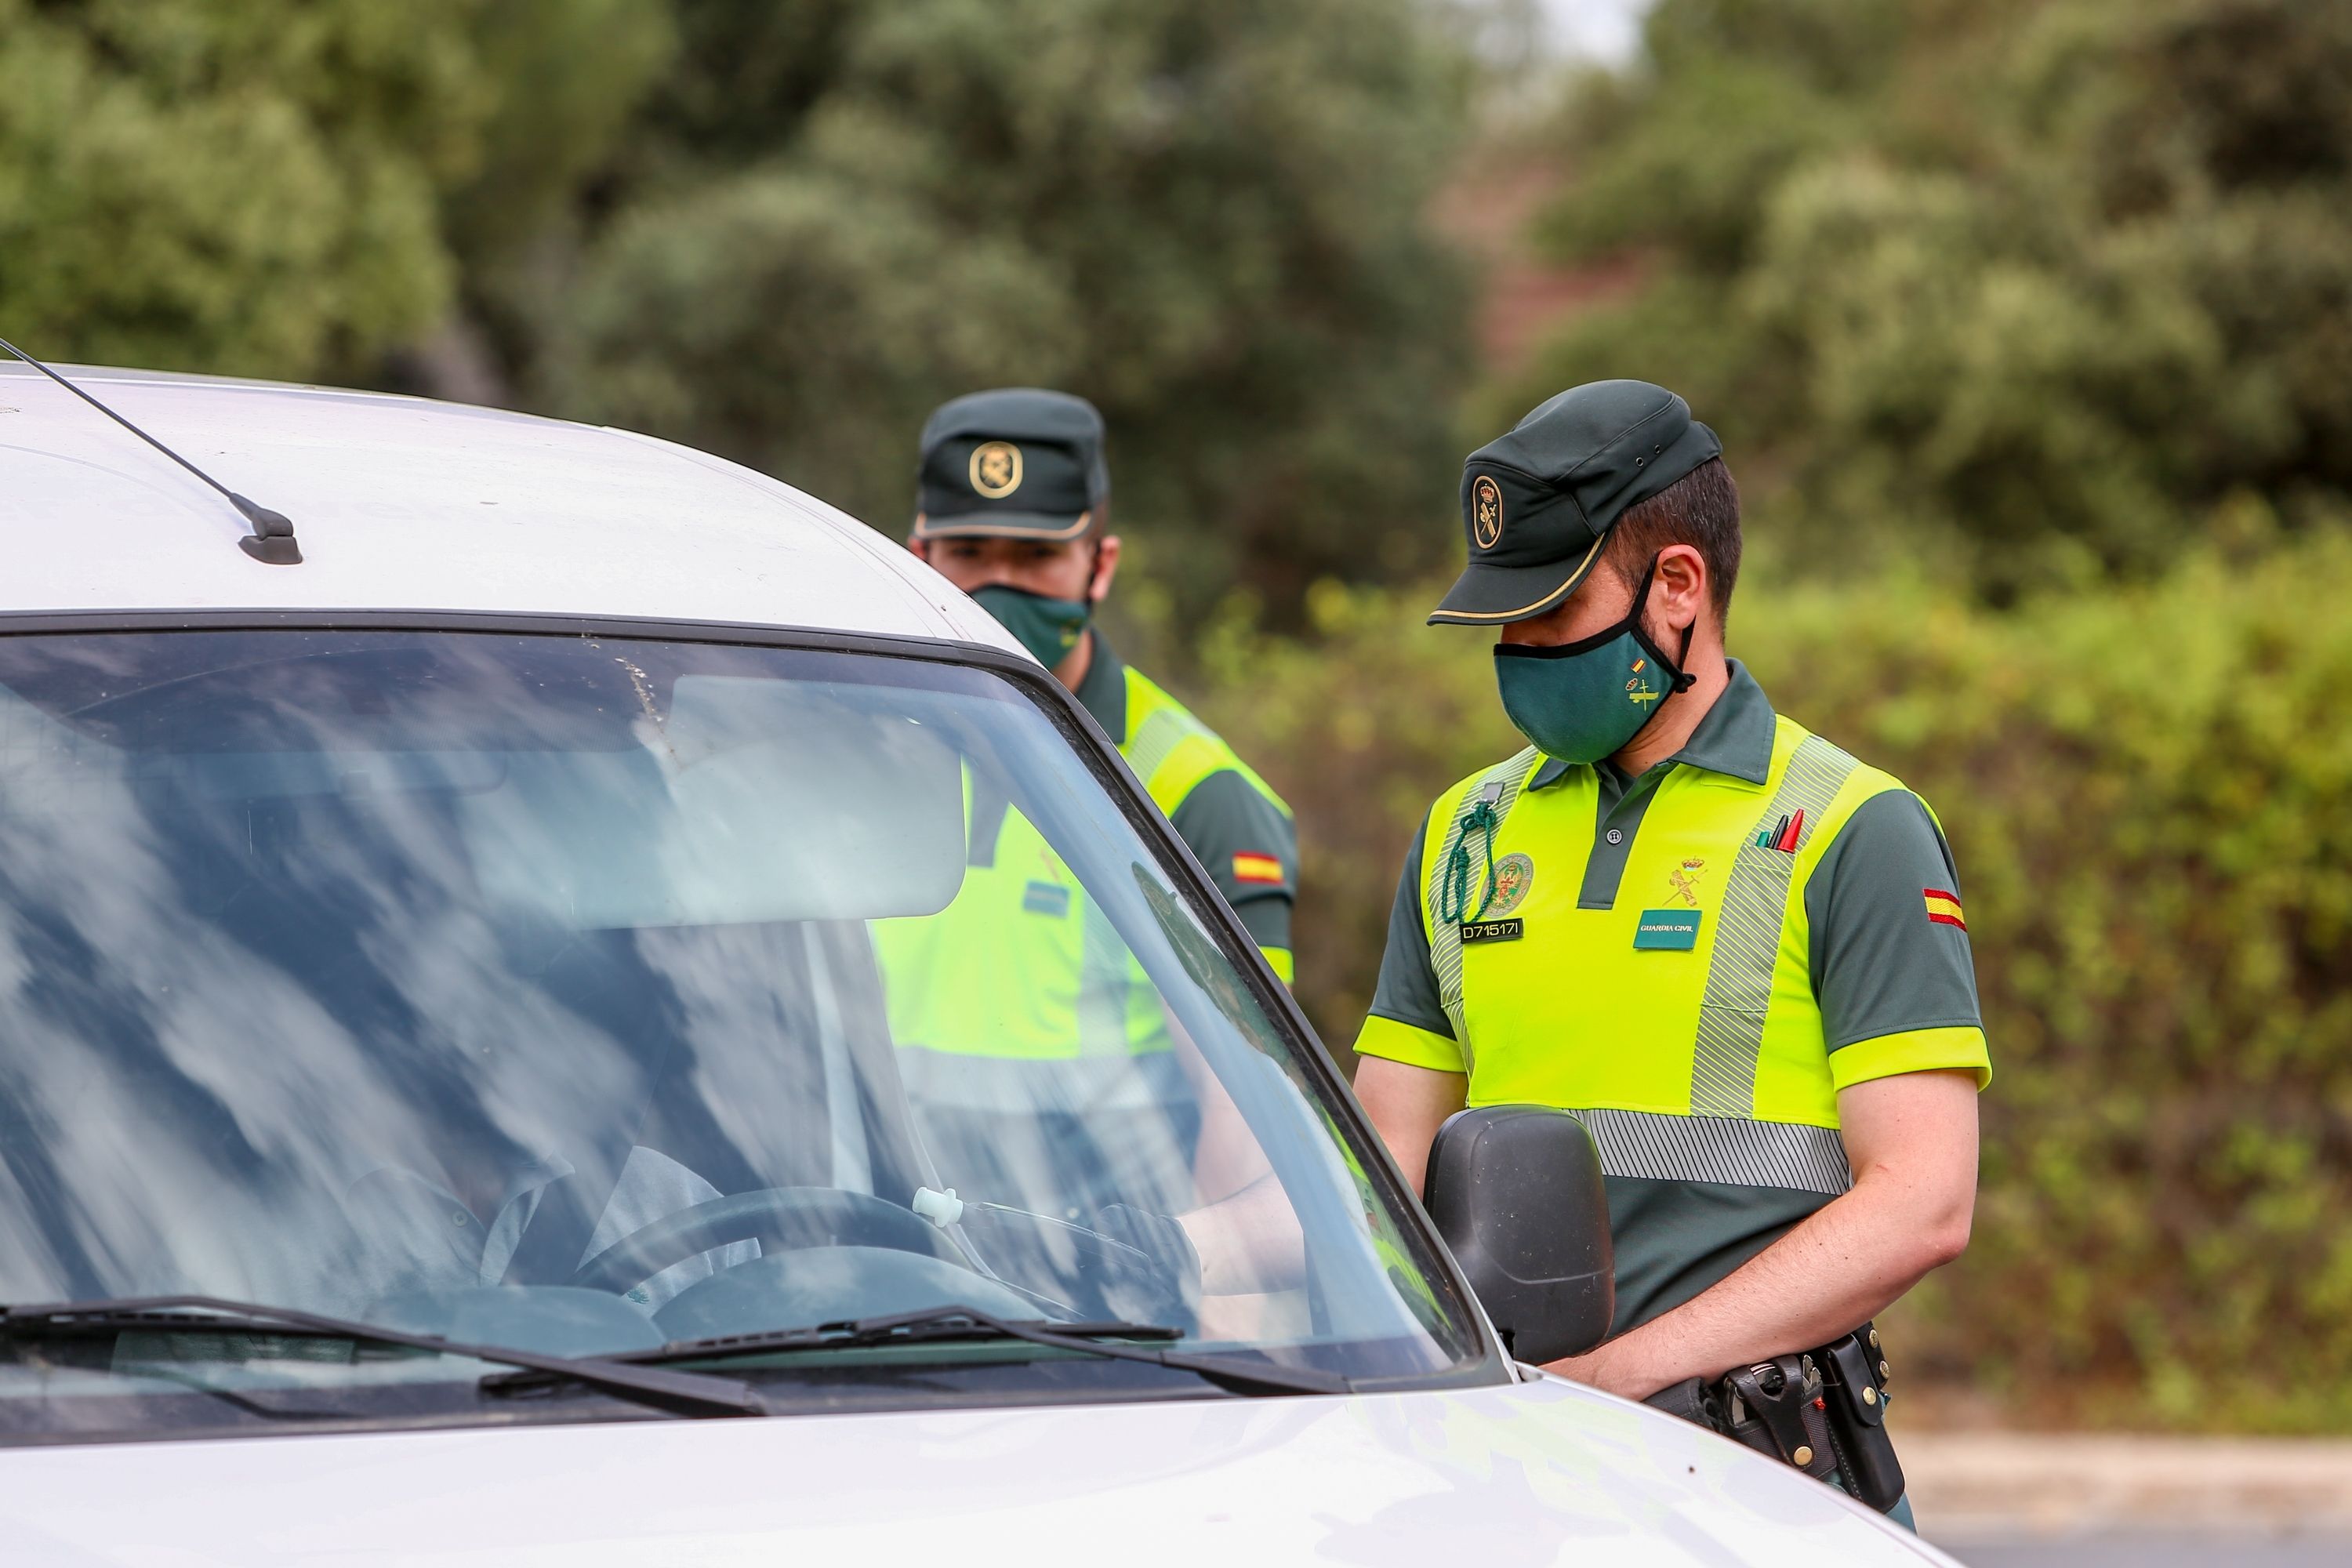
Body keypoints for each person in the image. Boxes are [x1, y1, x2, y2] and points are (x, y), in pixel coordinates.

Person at [1350, 380, 1988, 1519]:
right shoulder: (1463, 832)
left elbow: (1924, 1199)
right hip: (1510, 1475)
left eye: (1552, 614)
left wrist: (1618, 1380)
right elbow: (1381, 1165)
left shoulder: (1852, 828)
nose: (1518, 650)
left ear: (1679, 586)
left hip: (1763, 1485)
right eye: (1503, 623)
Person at [872, 387, 1298, 1222]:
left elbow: (1249, 1118)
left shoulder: (1193, 791)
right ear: (918, 556)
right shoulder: (855, 751)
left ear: (1100, 565)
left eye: (1036, 558)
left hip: (1099, 1263)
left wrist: (1193, 1275)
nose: (998, 585)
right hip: (881, 1242)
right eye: (968, 552)